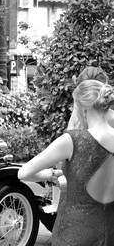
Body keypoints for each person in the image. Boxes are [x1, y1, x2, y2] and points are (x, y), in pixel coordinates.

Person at [18, 79, 114, 245]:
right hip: (108, 232)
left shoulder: (72, 140)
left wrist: (49, 175)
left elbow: (24, 173)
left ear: (82, 108)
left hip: (74, 232)